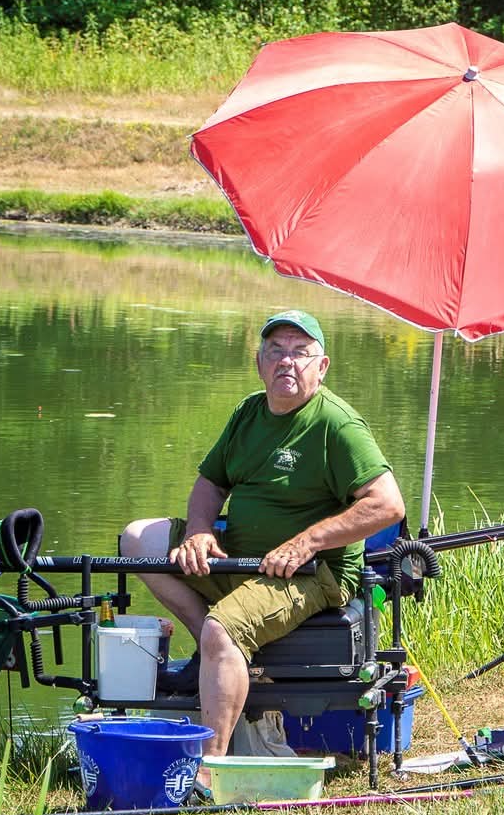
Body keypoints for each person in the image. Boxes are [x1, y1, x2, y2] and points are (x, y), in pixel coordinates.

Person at [132, 310, 405, 759]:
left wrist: (306, 542)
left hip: (310, 574)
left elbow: (387, 505)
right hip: (239, 557)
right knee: (137, 539)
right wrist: (199, 531)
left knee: (223, 630)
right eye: (275, 351)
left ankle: (208, 769)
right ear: (259, 362)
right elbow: (211, 482)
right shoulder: (248, 412)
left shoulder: (337, 425)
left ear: (322, 366)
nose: (286, 361)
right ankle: (217, 652)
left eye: (300, 352)